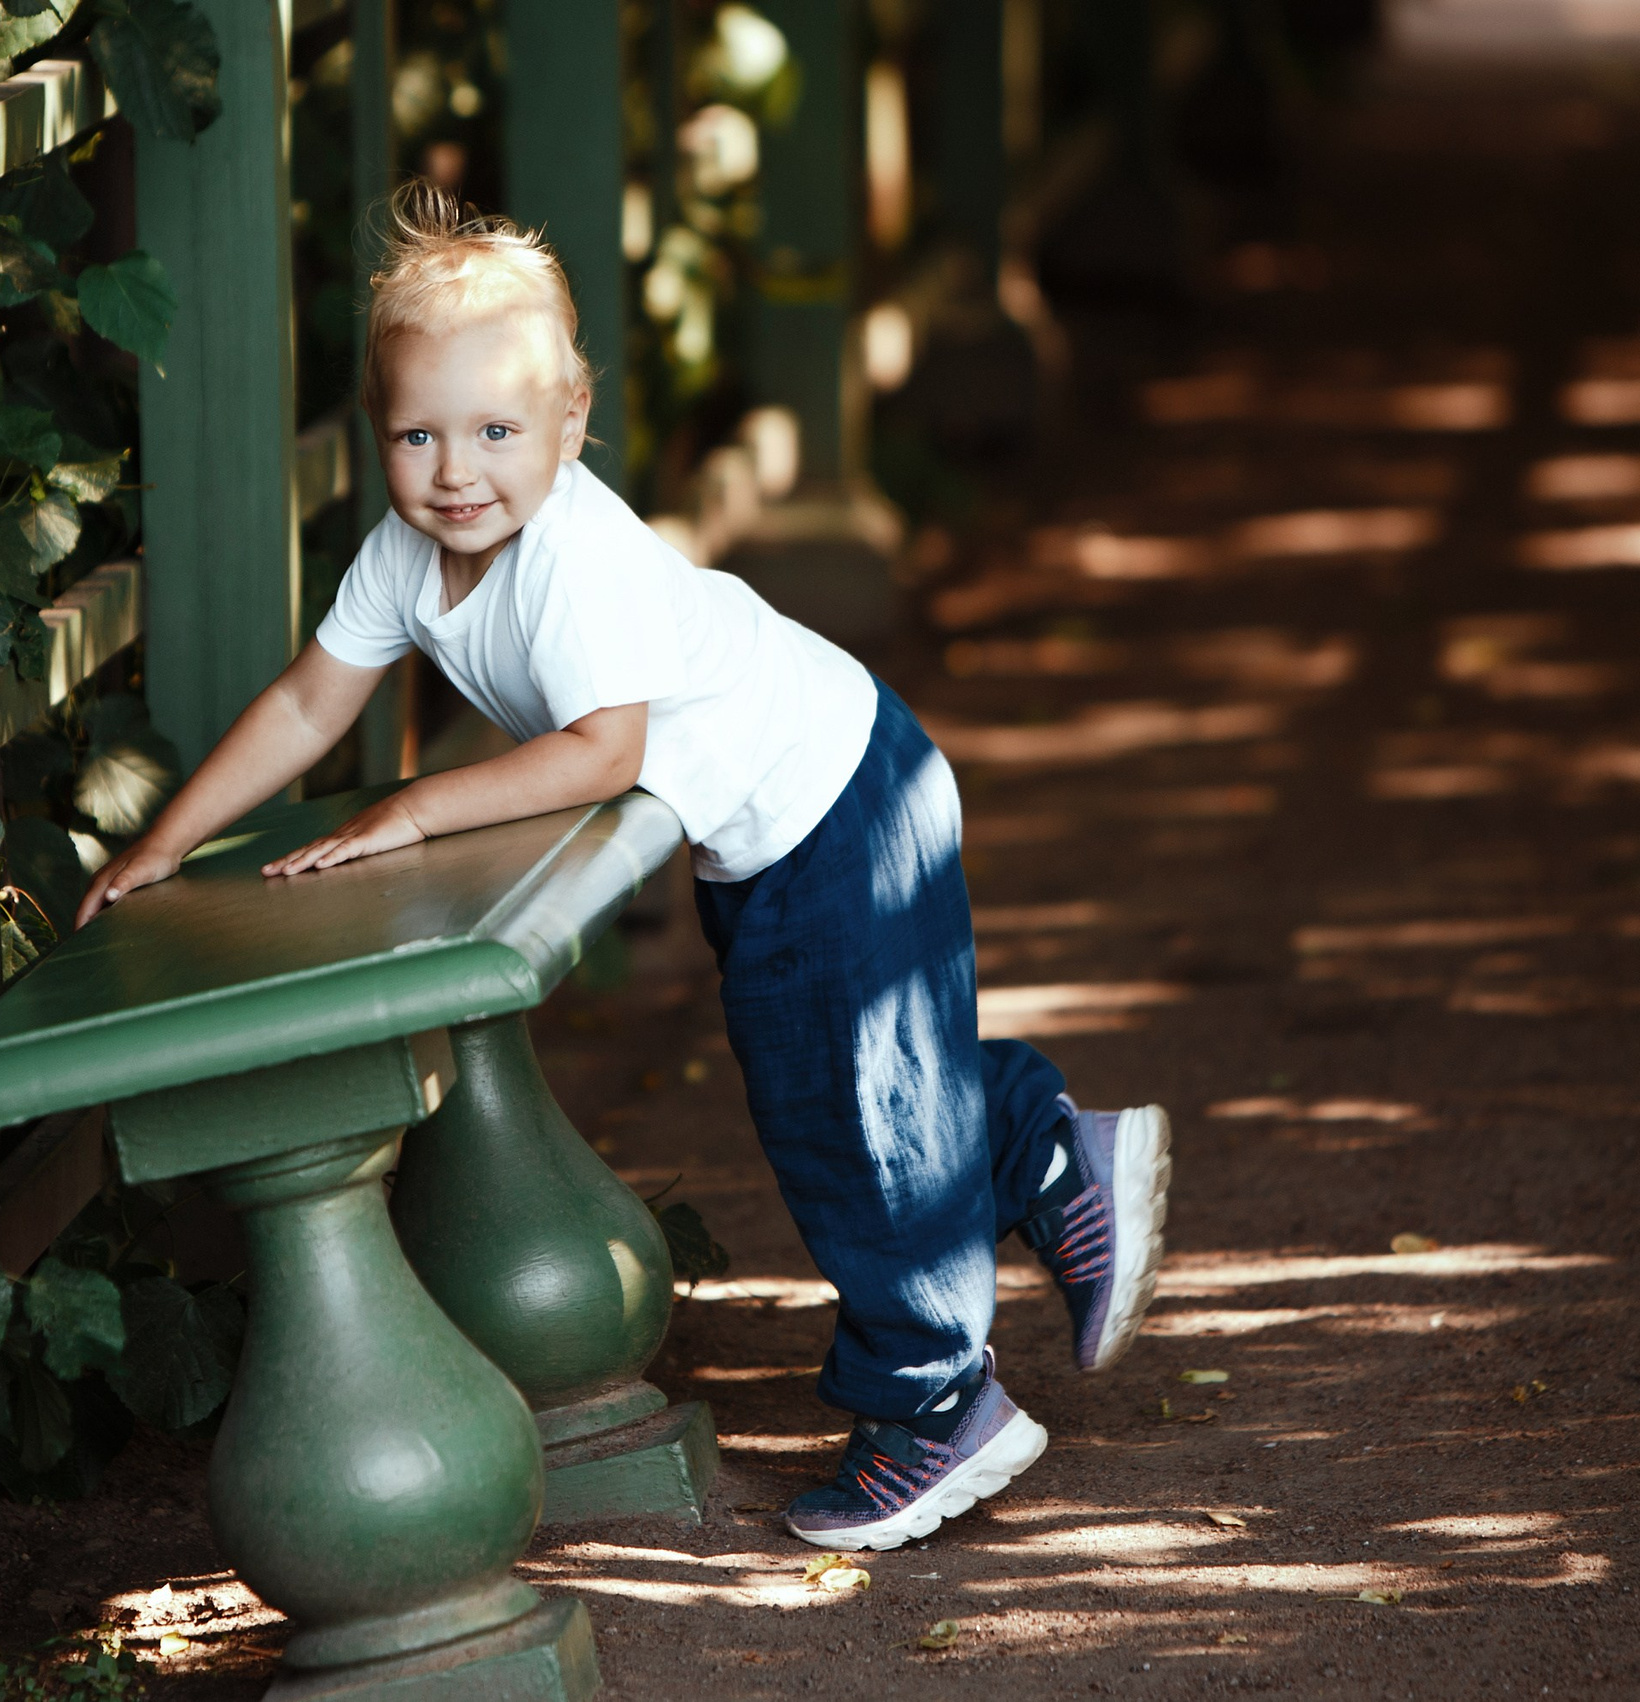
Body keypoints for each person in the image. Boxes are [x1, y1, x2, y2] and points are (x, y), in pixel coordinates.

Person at [75, 184, 1173, 1552]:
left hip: (833, 800)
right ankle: (1048, 1155)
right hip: (789, 811)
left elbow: (602, 750)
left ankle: (938, 1406)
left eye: (496, 431)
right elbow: (309, 702)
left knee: (848, 1117)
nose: (456, 469)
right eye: (419, 433)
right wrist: (165, 841)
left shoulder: (571, 561)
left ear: (570, 425)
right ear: (382, 436)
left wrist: (420, 807)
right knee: (873, 1076)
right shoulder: (405, 558)